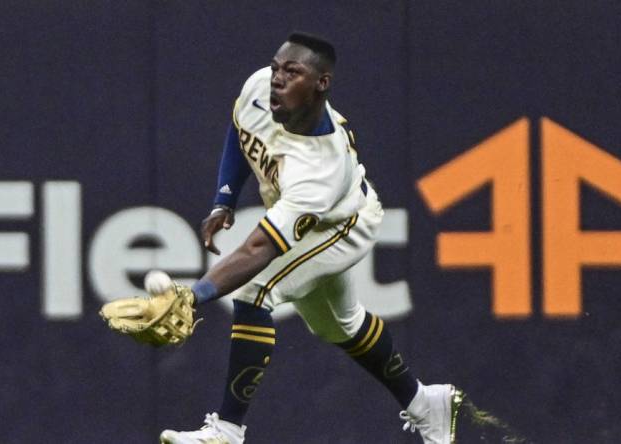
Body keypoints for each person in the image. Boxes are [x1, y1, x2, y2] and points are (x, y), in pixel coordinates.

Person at [159, 32, 461, 444]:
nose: (277, 79)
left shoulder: (320, 168)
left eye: (293, 72)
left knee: (254, 290)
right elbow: (240, 128)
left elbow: (258, 249)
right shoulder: (259, 88)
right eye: (276, 67)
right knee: (339, 326)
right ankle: (426, 402)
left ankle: (227, 430)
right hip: (302, 212)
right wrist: (223, 199)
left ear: (321, 83)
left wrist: (193, 296)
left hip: (341, 225)